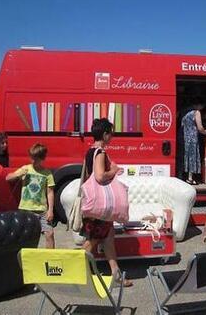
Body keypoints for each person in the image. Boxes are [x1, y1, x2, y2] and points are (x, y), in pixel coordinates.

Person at [81, 118, 133, 287]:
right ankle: (70, 269)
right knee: (92, 241)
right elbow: (100, 176)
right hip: (100, 207)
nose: (112, 137)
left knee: (108, 239)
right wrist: (114, 170)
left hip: (98, 204)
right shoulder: (100, 153)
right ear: (104, 134)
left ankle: (116, 274)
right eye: (111, 133)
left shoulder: (90, 151)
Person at [6, 143, 55, 249]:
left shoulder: (47, 174)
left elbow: (50, 192)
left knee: (49, 234)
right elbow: (8, 178)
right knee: (26, 235)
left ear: (42, 159)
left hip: (41, 210)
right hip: (25, 208)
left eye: (36, 159)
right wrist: (17, 175)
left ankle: (50, 257)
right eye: (32, 158)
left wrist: (50, 210)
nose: (33, 161)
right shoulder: (26, 169)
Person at [181, 98, 206, 185]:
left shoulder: (185, 113)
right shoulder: (196, 112)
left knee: (187, 157)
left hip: (185, 137)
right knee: (193, 157)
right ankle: (190, 178)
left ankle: (185, 176)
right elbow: (200, 127)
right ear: (198, 105)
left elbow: (182, 125)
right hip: (193, 138)